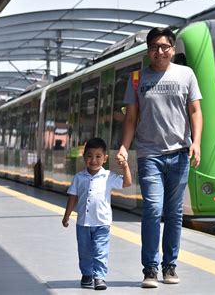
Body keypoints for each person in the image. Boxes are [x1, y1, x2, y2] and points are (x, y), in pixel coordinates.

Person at [115, 27, 203, 288]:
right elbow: (130, 118)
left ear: (172, 49)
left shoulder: (186, 74)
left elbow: (196, 111)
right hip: (149, 154)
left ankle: (169, 265)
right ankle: (150, 269)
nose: (160, 51)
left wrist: (196, 143)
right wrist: (123, 147)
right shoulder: (136, 79)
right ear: (148, 51)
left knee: (174, 213)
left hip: (179, 154)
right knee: (153, 210)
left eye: (165, 46)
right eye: (154, 47)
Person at [62, 137, 132, 291]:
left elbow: (127, 183)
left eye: (98, 156)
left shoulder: (109, 176)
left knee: (101, 250)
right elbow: (73, 197)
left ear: (105, 158)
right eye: (89, 156)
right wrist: (66, 216)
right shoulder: (79, 178)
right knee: (84, 251)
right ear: (84, 157)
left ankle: (99, 277)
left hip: (102, 223)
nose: (93, 160)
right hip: (83, 223)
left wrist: (125, 166)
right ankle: (87, 274)